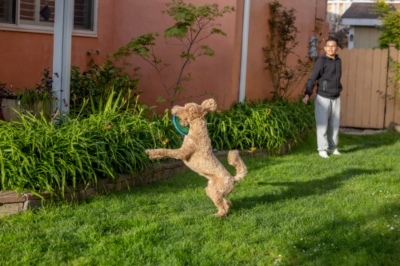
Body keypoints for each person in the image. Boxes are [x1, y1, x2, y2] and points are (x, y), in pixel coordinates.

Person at [303, 36, 343, 158]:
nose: (331, 48)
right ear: (325, 48)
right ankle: (322, 149)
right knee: (322, 125)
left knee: (335, 125)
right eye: (328, 46)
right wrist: (307, 94)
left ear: (337, 48)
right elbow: (313, 78)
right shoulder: (321, 61)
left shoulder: (338, 61)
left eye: (333, 46)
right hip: (323, 97)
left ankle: (332, 148)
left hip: (336, 97)